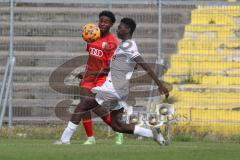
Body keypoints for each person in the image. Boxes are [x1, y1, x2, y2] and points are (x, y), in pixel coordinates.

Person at [56, 17, 170, 145]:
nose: (117, 29)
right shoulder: (123, 46)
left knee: (83, 105)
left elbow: (142, 63)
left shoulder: (129, 45)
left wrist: (160, 85)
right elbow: (113, 67)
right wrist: (89, 73)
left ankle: (64, 140)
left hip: (113, 87)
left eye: (120, 27)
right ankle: (153, 135)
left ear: (127, 30)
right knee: (117, 126)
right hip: (119, 90)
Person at [75, 10, 123, 145]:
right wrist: (85, 73)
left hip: (102, 77)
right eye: (101, 21)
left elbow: (108, 67)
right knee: (83, 103)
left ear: (111, 25)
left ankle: (117, 129)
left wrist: (90, 73)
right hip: (89, 76)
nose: (102, 24)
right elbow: (92, 59)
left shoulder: (112, 42)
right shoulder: (91, 36)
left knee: (94, 106)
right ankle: (90, 138)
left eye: (106, 22)